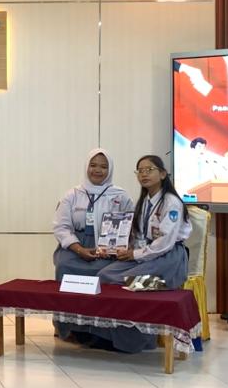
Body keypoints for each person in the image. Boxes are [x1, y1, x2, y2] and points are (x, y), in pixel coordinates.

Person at [91, 155, 193, 354]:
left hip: (168, 261)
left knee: (133, 283)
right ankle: (111, 336)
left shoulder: (171, 202)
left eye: (150, 169)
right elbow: (140, 235)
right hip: (146, 255)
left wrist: (135, 254)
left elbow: (164, 243)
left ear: (162, 174)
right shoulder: (145, 201)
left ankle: (138, 341)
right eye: (140, 170)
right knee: (104, 276)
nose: (144, 174)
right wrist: (124, 250)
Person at [51, 148, 134, 340]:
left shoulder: (120, 196)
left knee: (107, 273)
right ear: (86, 167)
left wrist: (115, 247)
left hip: (107, 249)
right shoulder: (72, 195)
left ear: (110, 170)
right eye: (93, 165)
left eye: (103, 167)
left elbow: (130, 226)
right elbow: (61, 227)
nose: (98, 170)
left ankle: (100, 331)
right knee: (64, 266)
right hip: (75, 247)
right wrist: (79, 249)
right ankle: (67, 327)